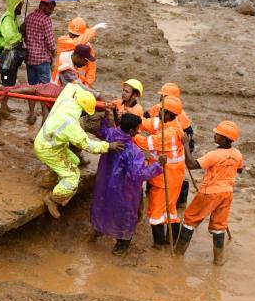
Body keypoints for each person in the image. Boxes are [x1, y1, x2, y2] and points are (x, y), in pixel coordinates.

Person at [34, 83, 124, 219]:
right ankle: (54, 199)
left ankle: (48, 180)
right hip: (48, 149)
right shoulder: (71, 125)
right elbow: (89, 146)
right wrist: (108, 146)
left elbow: (73, 85)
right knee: (72, 177)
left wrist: (95, 95)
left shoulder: (68, 98)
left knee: (74, 160)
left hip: (47, 140)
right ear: (82, 111)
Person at [90, 112, 165, 256]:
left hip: (105, 184)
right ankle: (121, 246)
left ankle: (96, 231)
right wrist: (157, 165)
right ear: (131, 131)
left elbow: (98, 128)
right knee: (126, 215)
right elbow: (139, 175)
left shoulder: (109, 134)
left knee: (102, 207)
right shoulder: (133, 151)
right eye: (137, 129)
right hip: (124, 190)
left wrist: (105, 116)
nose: (138, 131)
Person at [176, 121, 244, 265]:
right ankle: (218, 260)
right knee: (219, 226)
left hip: (209, 193)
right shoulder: (237, 154)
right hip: (226, 193)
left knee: (189, 220)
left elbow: (191, 164)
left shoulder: (214, 155)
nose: (215, 135)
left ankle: (178, 255)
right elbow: (240, 169)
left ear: (225, 139)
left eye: (218, 135)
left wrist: (186, 144)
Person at [133, 95, 185, 249]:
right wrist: (133, 119)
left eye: (162, 110)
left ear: (168, 114)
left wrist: (131, 132)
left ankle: (159, 244)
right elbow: (148, 123)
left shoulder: (168, 134)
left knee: (156, 212)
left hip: (166, 179)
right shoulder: (170, 123)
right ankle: (172, 240)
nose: (159, 112)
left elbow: (145, 142)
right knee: (170, 210)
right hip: (175, 177)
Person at [146, 82, 194, 205]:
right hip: (161, 141)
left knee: (175, 171)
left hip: (176, 145)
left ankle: (179, 200)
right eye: (161, 96)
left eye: (164, 96)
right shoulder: (157, 108)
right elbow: (146, 116)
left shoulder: (180, 115)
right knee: (156, 167)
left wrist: (185, 147)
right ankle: (150, 192)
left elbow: (188, 133)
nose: (161, 98)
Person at [52, 17, 106, 87]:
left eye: (77, 35)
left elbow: (91, 69)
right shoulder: (63, 40)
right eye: (72, 34)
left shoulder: (87, 47)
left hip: (79, 85)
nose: (73, 36)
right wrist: (92, 30)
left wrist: (87, 84)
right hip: (58, 85)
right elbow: (77, 43)